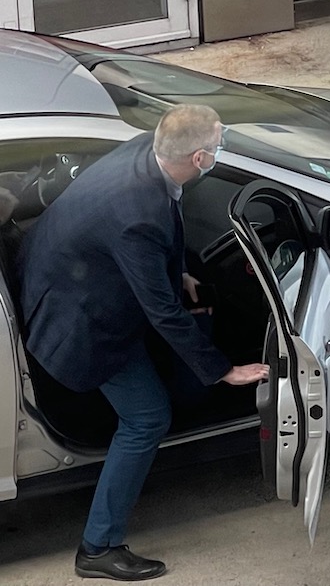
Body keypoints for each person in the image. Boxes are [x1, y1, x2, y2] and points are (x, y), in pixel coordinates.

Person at [18, 105, 268, 581]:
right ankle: (98, 547)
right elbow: (164, 314)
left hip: (68, 282)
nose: (220, 149)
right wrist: (223, 370)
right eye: (217, 144)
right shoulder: (138, 215)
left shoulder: (140, 153)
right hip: (83, 324)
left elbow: (154, 234)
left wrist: (178, 271)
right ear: (198, 159)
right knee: (147, 417)